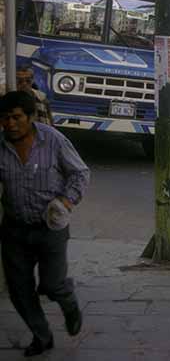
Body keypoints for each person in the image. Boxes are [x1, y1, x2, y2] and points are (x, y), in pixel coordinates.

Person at [0, 90, 89, 357]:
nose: (10, 124)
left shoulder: (53, 140)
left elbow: (80, 173)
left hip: (50, 227)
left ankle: (70, 306)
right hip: (15, 228)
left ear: (30, 117)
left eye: (16, 118)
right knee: (19, 289)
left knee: (52, 285)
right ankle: (42, 335)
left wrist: (66, 201)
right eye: (4, 119)